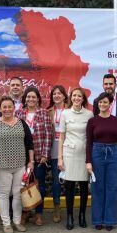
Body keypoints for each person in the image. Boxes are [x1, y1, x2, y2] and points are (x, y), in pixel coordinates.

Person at [0, 96, 35, 233]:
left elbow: (29, 143)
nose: (7, 109)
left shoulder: (22, 123)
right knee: (3, 195)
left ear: (14, 108)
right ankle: (6, 223)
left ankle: (17, 222)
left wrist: (31, 161)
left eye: (9, 107)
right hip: (2, 167)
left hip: (20, 166)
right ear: (0, 108)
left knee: (18, 194)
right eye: (4, 107)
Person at [93, 74, 117, 219]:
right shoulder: (98, 101)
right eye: (106, 84)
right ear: (103, 85)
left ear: (115, 85)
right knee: (105, 181)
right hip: (102, 147)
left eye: (111, 83)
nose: (108, 86)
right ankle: (104, 211)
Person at [86, 92, 117, 231]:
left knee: (112, 188)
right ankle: (98, 220)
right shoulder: (92, 121)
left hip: (113, 154)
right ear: (97, 104)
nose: (102, 104)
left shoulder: (116, 121)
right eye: (100, 102)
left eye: (105, 102)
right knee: (97, 188)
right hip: (97, 154)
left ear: (110, 104)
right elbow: (89, 143)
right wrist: (88, 161)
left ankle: (110, 220)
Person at [15, 86, 53, 226]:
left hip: (39, 158)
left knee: (39, 186)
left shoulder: (43, 113)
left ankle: (38, 214)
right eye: (28, 97)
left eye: (33, 97)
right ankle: (25, 213)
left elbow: (48, 135)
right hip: (22, 157)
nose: (31, 99)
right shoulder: (18, 114)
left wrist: (45, 154)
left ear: (38, 99)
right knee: (23, 186)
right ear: (25, 99)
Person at [58, 87, 93, 230]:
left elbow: (91, 137)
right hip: (69, 154)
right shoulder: (65, 114)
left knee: (84, 186)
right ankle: (70, 216)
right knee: (70, 186)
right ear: (70, 98)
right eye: (74, 96)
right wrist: (60, 158)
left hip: (84, 154)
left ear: (83, 99)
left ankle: (82, 215)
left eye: (79, 96)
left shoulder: (89, 114)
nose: (77, 98)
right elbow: (61, 137)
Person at [47, 85, 68, 223]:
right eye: (54, 94)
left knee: (70, 180)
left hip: (68, 147)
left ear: (64, 96)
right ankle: (57, 208)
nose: (57, 96)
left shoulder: (71, 110)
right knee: (56, 180)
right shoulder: (47, 111)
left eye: (59, 93)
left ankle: (70, 208)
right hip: (54, 148)